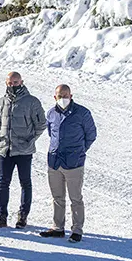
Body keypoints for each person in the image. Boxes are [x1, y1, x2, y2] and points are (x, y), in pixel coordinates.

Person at [0, 72, 46, 229]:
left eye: (16, 82)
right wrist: (4, 137)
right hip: (5, 149)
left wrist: (30, 139)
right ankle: (1, 216)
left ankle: (23, 216)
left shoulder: (32, 102)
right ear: (6, 83)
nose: (13, 85)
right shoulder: (2, 101)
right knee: (3, 182)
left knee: (25, 182)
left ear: (22, 82)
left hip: (24, 151)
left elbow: (41, 124)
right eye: (10, 83)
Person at [40, 84, 97, 243]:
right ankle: (58, 227)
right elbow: (51, 133)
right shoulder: (51, 113)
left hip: (74, 162)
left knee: (75, 198)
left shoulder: (82, 113)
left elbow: (91, 135)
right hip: (55, 161)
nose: (63, 98)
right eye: (60, 96)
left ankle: (77, 230)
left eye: (66, 95)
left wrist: (79, 150)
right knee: (57, 197)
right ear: (55, 97)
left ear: (71, 96)